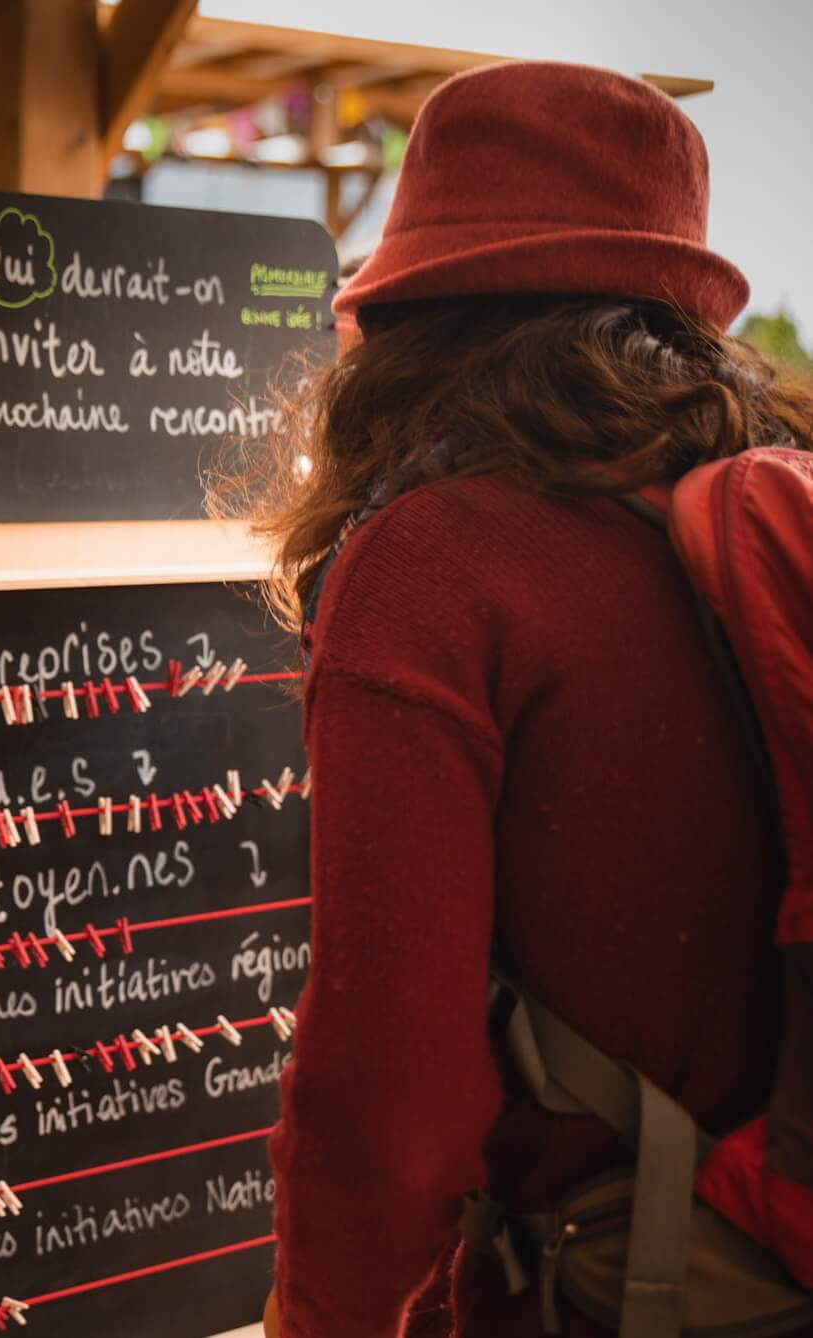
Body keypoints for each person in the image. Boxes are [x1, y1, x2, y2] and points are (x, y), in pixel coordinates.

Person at [252, 63, 813, 1336]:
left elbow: (388, 1102)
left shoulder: (435, 564)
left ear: (406, 319)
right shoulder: (763, 508)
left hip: (611, 1292)